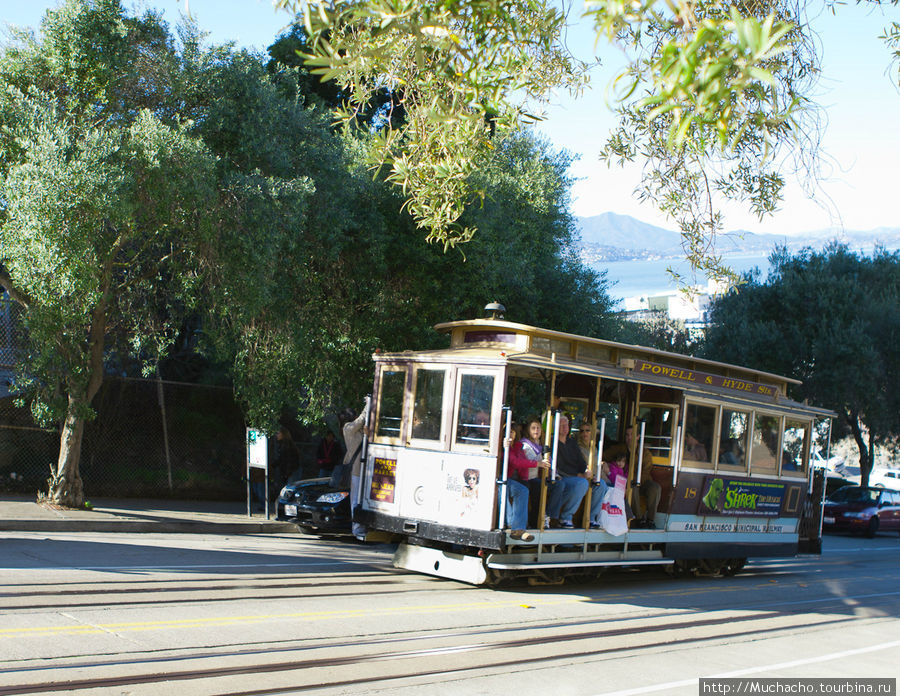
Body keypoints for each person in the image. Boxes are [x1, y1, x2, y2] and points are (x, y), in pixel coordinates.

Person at [607, 424, 661, 529]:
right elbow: (604, 456)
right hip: (628, 484)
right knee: (632, 487)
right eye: (627, 435)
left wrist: (632, 477)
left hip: (643, 482)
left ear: (638, 437)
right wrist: (605, 464)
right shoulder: (619, 449)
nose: (629, 438)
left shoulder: (645, 453)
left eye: (632, 435)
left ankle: (650, 520)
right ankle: (639, 520)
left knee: (656, 487)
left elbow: (646, 472)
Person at [546, 415, 593, 529]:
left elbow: (580, 460)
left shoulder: (572, 442)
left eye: (566, 425)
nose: (564, 428)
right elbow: (559, 466)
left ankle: (568, 517)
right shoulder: (552, 442)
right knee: (582, 483)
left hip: (575, 477)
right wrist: (578, 475)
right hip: (560, 477)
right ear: (555, 428)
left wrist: (586, 470)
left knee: (593, 483)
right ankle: (563, 516)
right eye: (561, 425)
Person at [500, 425, 535, 542]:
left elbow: (520, 463)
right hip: (498, 477)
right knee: (502, 489)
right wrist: (536, 464)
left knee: (523, 490)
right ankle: (512, 525)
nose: (511, 434)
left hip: (512, 479)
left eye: (513, 431)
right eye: (508, 431)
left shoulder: (518, 446)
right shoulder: (499, 444)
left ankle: (518, 528)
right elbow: (513, 462)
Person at [342, 406, 369, 540]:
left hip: (364, 469)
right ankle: (357, 529)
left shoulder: (357, 431)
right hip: (356, 470)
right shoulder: (347, 428)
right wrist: (367, 406)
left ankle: (362, 527)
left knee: (362, 500)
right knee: (355, 501)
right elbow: (360, 420)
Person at [577, 425, 610, 529]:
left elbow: (596, 463)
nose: (584, 433)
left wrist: (603, 463)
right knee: (601, 485)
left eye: (587, 431)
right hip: (587, 478)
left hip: (599, 476)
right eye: (582, 431)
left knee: (618, 487)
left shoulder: (594, 447)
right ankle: (591, 518)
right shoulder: (578, 447)